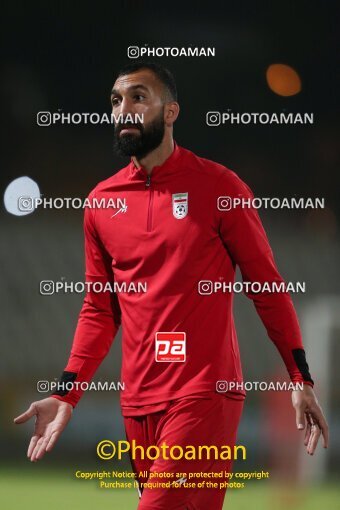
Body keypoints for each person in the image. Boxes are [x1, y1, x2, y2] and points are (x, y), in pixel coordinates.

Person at [14, 62, 329, 510]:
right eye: (116, 100)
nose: (124, 109)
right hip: (137, 401)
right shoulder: (101, 203)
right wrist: (67, 391)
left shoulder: (219, 187)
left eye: (139, 97)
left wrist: (300, 377)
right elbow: (99, 310)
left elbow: (267, 286)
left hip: (205, 394)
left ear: (171, 112)